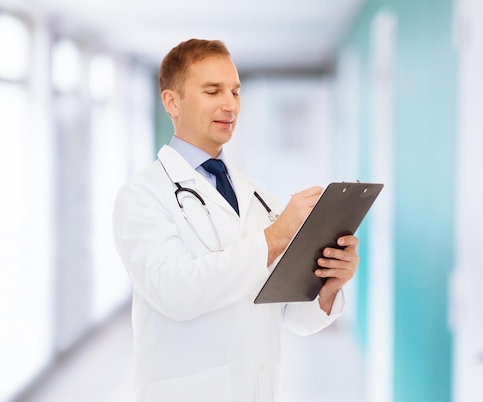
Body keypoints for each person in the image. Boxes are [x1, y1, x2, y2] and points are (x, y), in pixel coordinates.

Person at [112, 38, 359, 402]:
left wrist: (330, 284)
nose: (230, 105)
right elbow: (176, 293)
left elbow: (291, 315)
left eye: (235, 91)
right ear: (171, 102)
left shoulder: (255, 195)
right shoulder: (142, 196)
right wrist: (276, 236)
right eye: (213, 91)